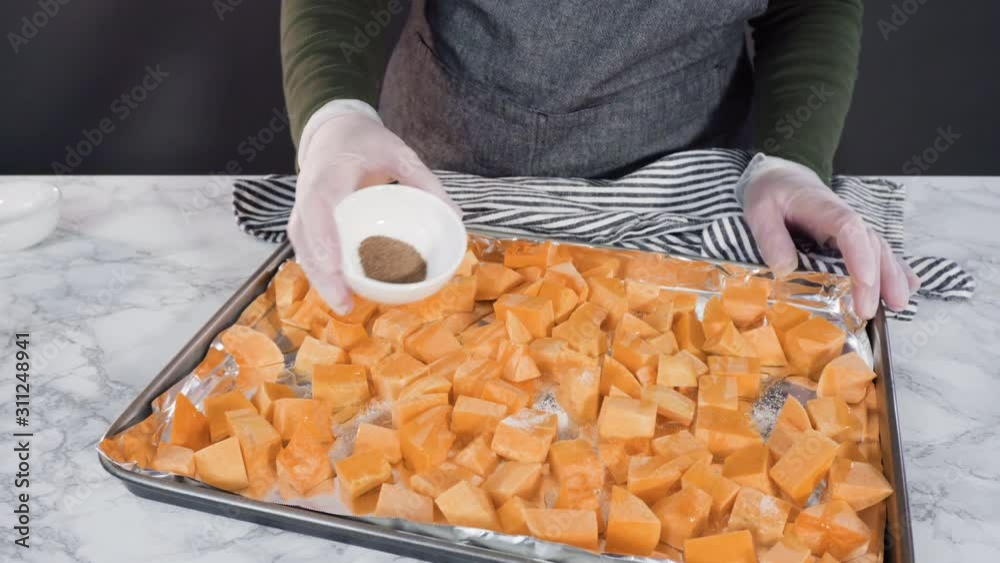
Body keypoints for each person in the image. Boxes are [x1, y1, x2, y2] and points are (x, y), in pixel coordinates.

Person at [280, 0, 918, 318]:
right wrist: (334, 117)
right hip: (442, 172)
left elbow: (809, 5)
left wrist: (794, 157)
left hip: (692, 202)